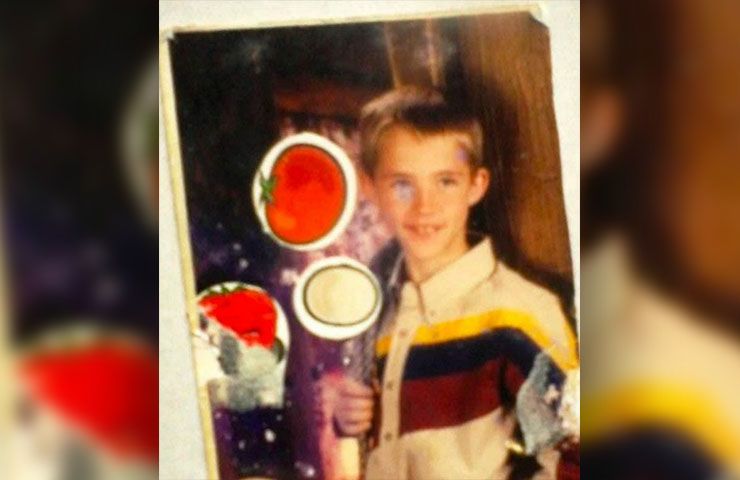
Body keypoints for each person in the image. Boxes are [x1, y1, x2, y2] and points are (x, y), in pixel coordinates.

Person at [329, 87, 579, 479]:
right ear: (370, 188)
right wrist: (350, 421)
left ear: (476, 185)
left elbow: (577, 455)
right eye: (402, 185)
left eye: (445, 181)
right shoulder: (375, 316)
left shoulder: (517, 313)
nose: (424, 206)